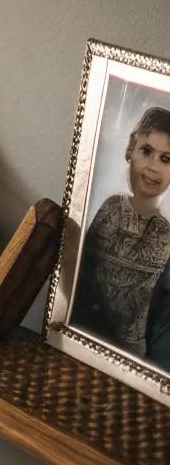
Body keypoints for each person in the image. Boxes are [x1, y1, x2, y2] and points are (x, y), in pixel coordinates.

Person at [73, 106, 170, 361]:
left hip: (132, 354)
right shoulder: (113, 209)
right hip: (86, 333)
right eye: (146, 151)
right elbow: (82, 275)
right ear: (131, 150)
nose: (152, 167)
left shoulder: (166, 233)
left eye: (166, 159)